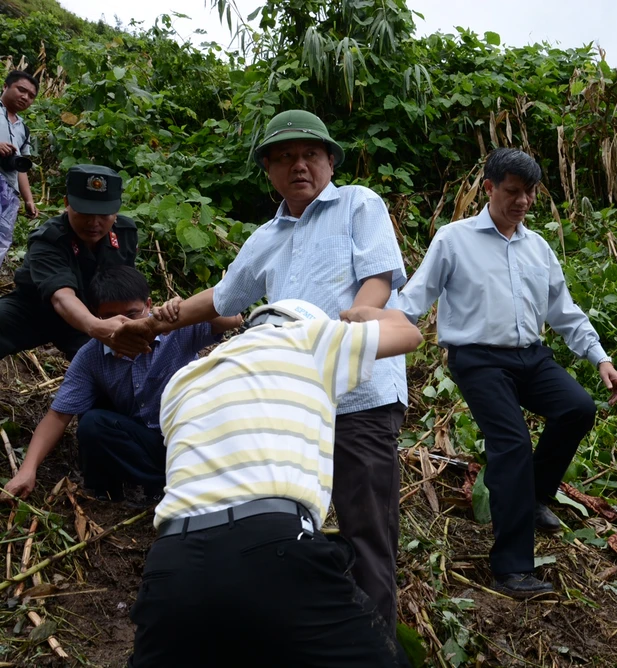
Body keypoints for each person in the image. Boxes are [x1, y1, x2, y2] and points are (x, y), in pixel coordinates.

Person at [110, 110, 409, 626]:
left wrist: (359, 319)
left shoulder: (359, 203)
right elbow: (222, 298)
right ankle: (298, 637)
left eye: (310, 154)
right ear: (268, 170)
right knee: (285, 522)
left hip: (360, 394)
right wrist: (156, 324)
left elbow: (378, 277)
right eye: (285, 157)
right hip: (288, 405)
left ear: (330, 161)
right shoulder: (264, 239)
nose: (299, 165)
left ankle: (374, 646)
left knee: (367, 531)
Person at [128, 299, 421, 668]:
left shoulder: (186, 378)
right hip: (273, 546)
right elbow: (408, 334)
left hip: (173, 562)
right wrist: (362, 314)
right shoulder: (308, 337)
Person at [389, 148, 617, 598]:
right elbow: (414, 297)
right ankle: (512, 569)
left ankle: (533, 497)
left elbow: (564, 310)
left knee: (576, 409)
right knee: (511, 445)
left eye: (530, 193)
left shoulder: (537, 248)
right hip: (476, 358)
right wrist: (378, 328)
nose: (522, 202)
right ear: (490, 188)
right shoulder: (454, 239)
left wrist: (600, 358)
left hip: (530, 356)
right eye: (513, 191)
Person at [2, 266, 242, 502]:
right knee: (93, 423)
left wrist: (182, 311)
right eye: (110, 317)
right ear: (97, 316)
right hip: (143, 442)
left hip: (188, 437)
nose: (124, 325)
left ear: (149, 306)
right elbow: (58, 415)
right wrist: (27, 470)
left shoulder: (176, 330)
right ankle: (148, 487)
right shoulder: (91, 356)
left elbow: (233, 318)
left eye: (132, 314)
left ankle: (185, 480)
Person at [0, 164, 136, 361]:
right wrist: (95, 327)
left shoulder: (125, 234)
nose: (94, 222)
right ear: (67, 203)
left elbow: (125, 288)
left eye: (103, 214)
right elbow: (61, 297)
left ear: (116, 210)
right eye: (85, 213)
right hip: (36, 310)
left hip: (89, 315)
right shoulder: (48, 239)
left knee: (117, 361)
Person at [0, 70, 39, 265]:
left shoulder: (24, 129)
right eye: (21, 90)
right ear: (5, 86)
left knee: (0, 240)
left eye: (31, 96)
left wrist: (29, 200)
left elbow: (20, 166)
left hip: (8, 191)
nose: (25, 97)